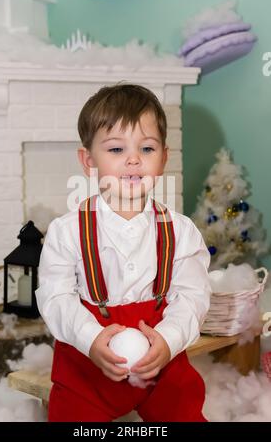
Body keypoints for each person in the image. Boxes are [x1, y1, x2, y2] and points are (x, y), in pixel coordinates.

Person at [36, 83, 211, 422]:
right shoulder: (67, 230)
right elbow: (56, 297)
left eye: (146, 148)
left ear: (163, 158)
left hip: (160, 361)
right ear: (89, 160)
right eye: (116, 149)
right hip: (87, 366)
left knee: (184, 408)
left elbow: (193, 296)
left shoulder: (181, 230)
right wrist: (90, 338)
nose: (133, 159)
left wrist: (168, 339)